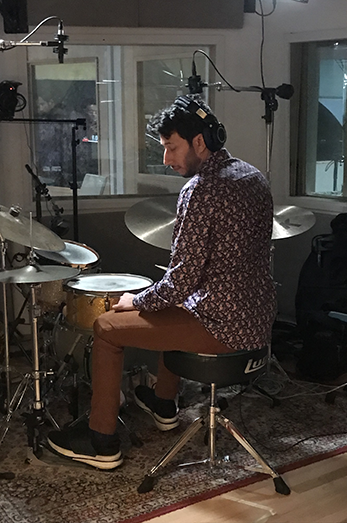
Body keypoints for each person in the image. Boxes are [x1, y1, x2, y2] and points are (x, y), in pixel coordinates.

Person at [48, 94, 276, 469]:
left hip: (223, 328)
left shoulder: (200, 189)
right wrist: (158, 297)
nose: (167, 159)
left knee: (107, 326)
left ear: (199, 142)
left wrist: (134, 301)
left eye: (171, 147)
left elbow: (181, 280)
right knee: (172, 304)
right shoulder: (252, 176)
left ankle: (100, 440)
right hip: (257, 318)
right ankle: (164, 403)